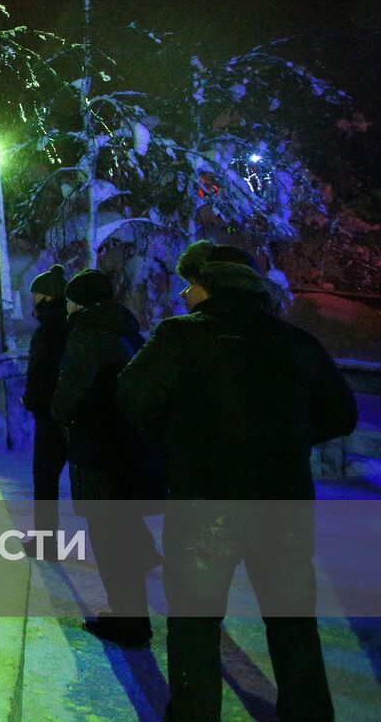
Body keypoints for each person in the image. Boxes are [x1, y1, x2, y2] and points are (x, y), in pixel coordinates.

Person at [118, 241, 357, 721]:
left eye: (190, 285)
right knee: (292, 621)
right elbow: (341, 413)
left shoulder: (179, 337)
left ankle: (195, 714)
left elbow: (132, 397)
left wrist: (179, 435)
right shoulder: (295, 342)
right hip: (281, 503)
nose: (184, 295)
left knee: (195, 619)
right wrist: (288, 438)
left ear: (208, 285)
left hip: (205, 500)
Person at [51, 268, 157, 647]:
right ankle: (132, 615)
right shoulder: (129, 332)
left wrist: (60, 415)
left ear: (78, 302)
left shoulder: (86, 336)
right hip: (130, 452)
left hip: (99, 454)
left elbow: (68, 397)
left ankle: (128, 623)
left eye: (68, 301)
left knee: (110, 540)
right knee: (123, 533)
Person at [23, 264, 71, 536]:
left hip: (50, 412)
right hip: (69, 410)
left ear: (48, 296)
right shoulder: (68, 323)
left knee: (45, 476)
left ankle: (46, 538)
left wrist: (32, 400)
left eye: (37, 293)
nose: (33, 299)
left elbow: (41, 372)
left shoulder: (49, 328)